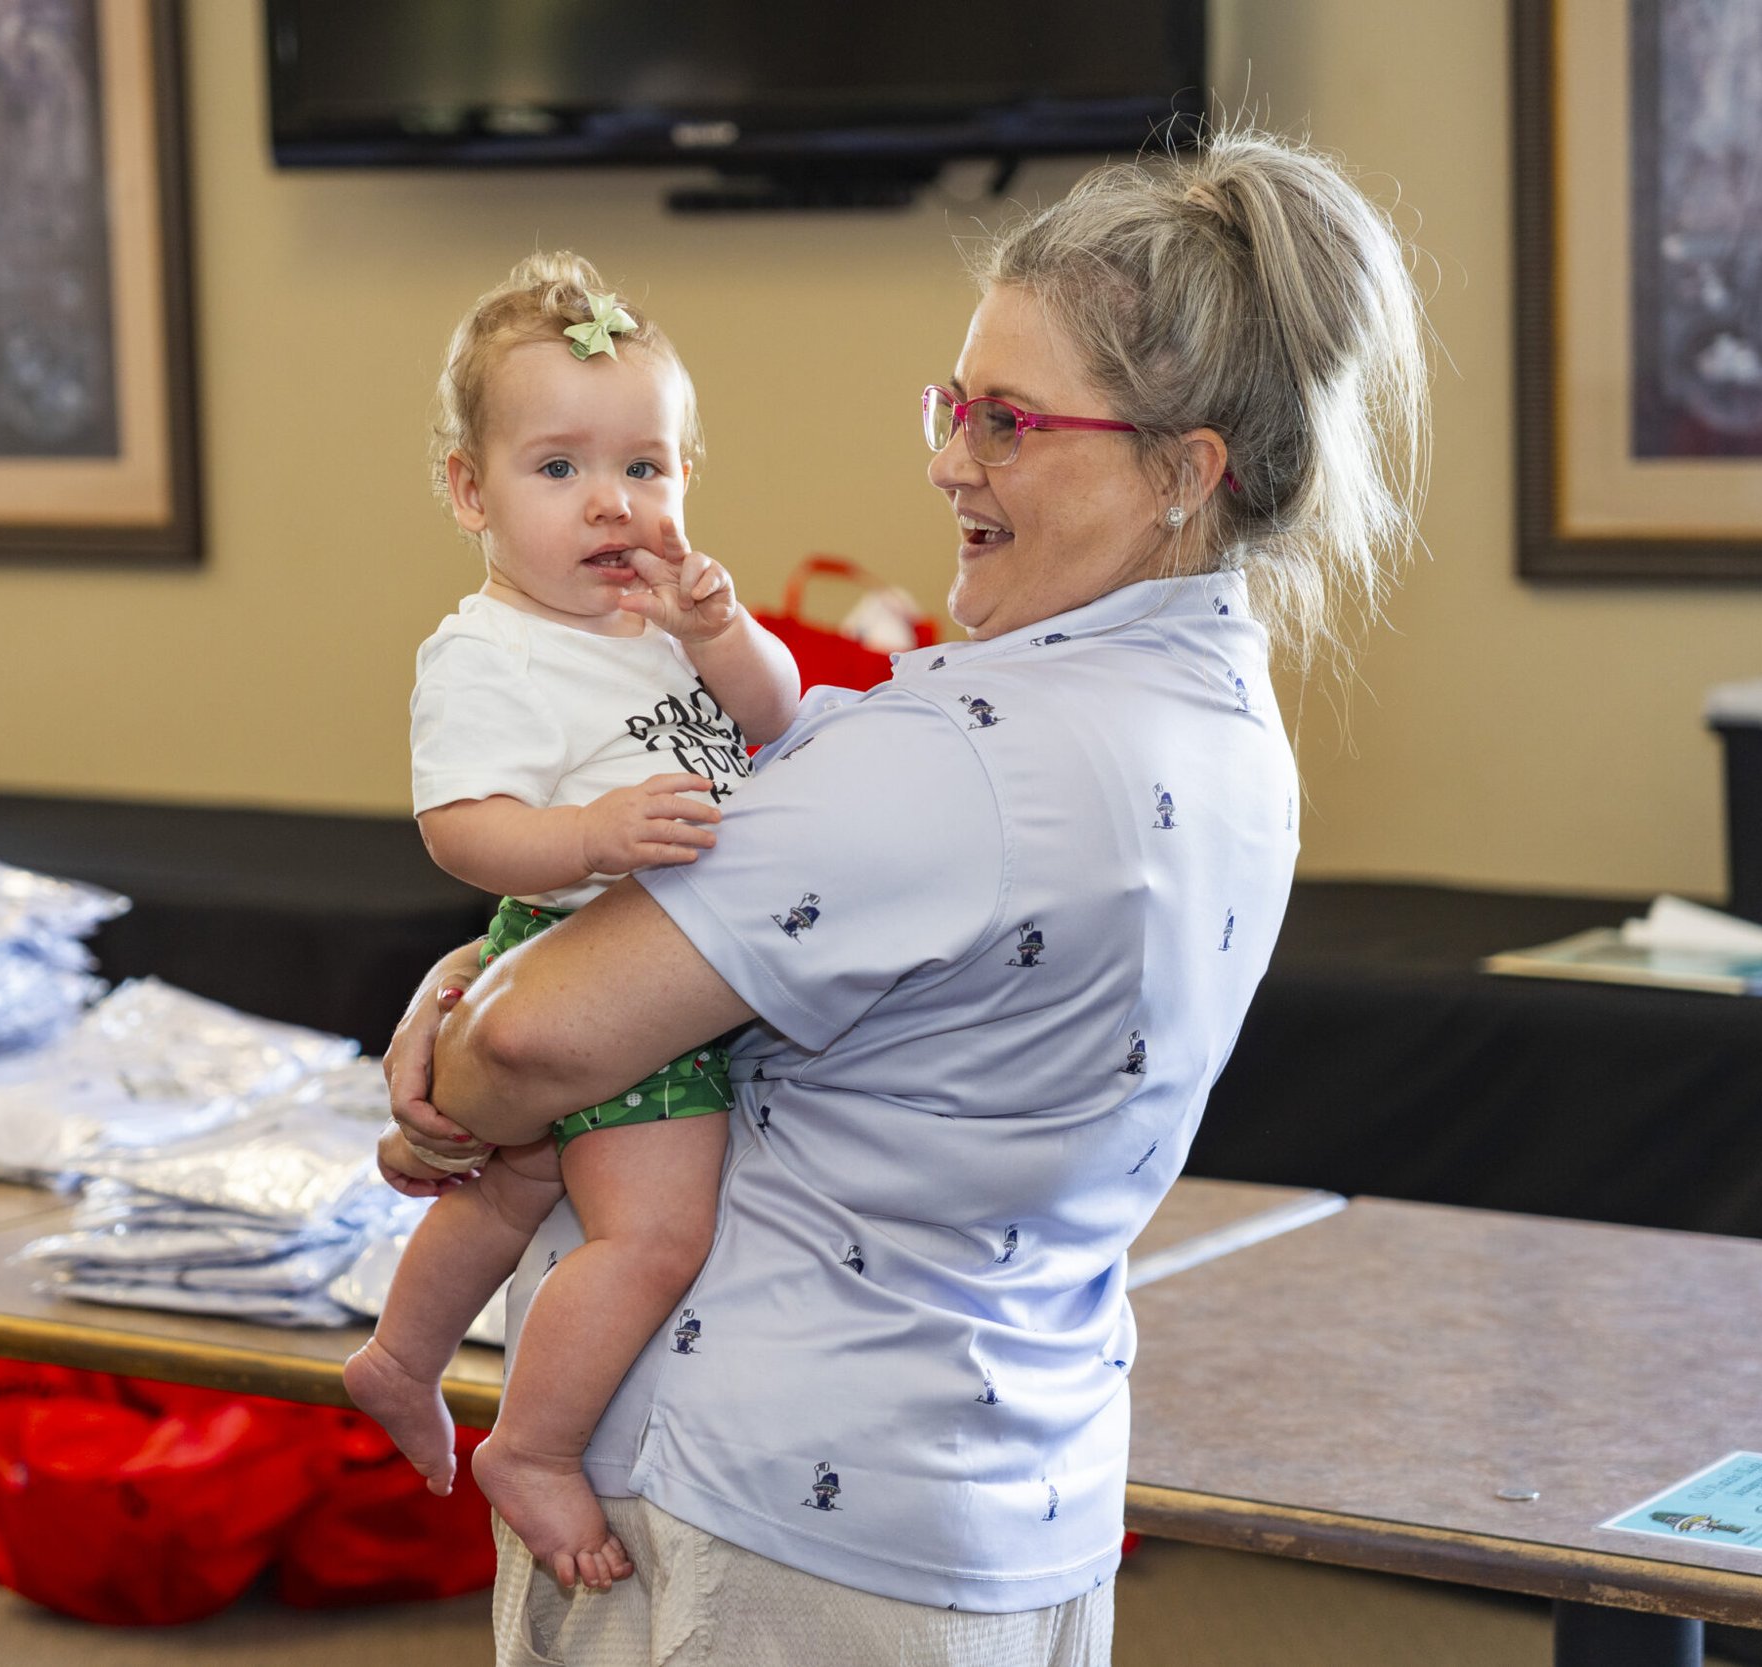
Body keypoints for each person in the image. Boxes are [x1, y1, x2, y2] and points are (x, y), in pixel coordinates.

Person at [390, 128, 1428, 1664]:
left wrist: (456, 1030)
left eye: (1009, 420)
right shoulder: (1229, 725)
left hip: (777, 1529)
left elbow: (538, 1045)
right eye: (953, 404)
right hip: (1013, 1487)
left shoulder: (959, 762)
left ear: (1185, 470)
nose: (949, 458)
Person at [343, 253, 802, 1595]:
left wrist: (723, 634)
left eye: (647, 468)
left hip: (642, 949)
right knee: (653, 1236)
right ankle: (532, 1443)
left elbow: (775, 715)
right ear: (468, 489)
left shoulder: (656, 620)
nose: (612, 502)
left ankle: (399, 1356)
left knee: (514, 1180)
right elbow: (462, 827)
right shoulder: (488, 649)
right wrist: (593, 837)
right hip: (590, 958)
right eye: (558, 470)